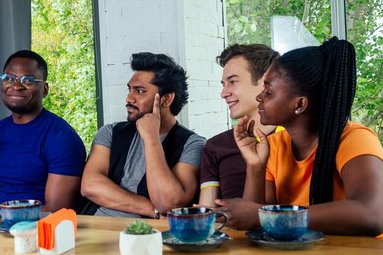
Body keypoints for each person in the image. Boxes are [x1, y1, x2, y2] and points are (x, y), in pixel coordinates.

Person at [217, 37, 383, 236]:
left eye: (268, 92)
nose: (260, 97)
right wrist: (255, 166)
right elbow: (253, 225)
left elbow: (373, 215)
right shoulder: (274, 146)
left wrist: (265, 215)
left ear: (299, 105)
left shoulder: (354, 139)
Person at [0, 50, 86, 212]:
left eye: (27, 80)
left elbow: (56, 210)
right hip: (2, 224)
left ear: (44, 89)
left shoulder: (61, 138)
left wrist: (1, 215)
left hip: (39, 231)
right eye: (9, 78)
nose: (16, 86)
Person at [80, 52, 206, 218]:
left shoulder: (192, 144)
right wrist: (150, 209)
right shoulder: (110, 132)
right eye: (129, 89)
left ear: (166, 99)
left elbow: (169, 204)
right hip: (96, 228)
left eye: (139, 91)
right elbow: (89, 185)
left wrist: (151, 138)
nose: (129, 98)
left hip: (148, 235)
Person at [199, 44, 279, 207]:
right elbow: (206, 213)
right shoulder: (216, 146)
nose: (224, 93)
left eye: (233, 81)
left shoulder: (295, 139)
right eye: (223, 84)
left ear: (265, 82)